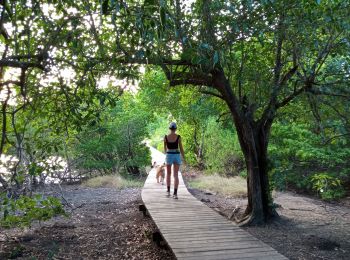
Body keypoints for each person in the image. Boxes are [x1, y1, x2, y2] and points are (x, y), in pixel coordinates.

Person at [164, 122, 185, 199]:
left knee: (168, 174)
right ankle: (175, 194)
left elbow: (165, 149)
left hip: (169, 154)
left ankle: (168, 192)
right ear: (175, 129)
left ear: (170, 129)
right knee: (175, 175)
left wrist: (166, 156)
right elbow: (181, 149)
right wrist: (184, 158)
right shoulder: (178, 137)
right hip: (176, 155)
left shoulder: (166, 137)